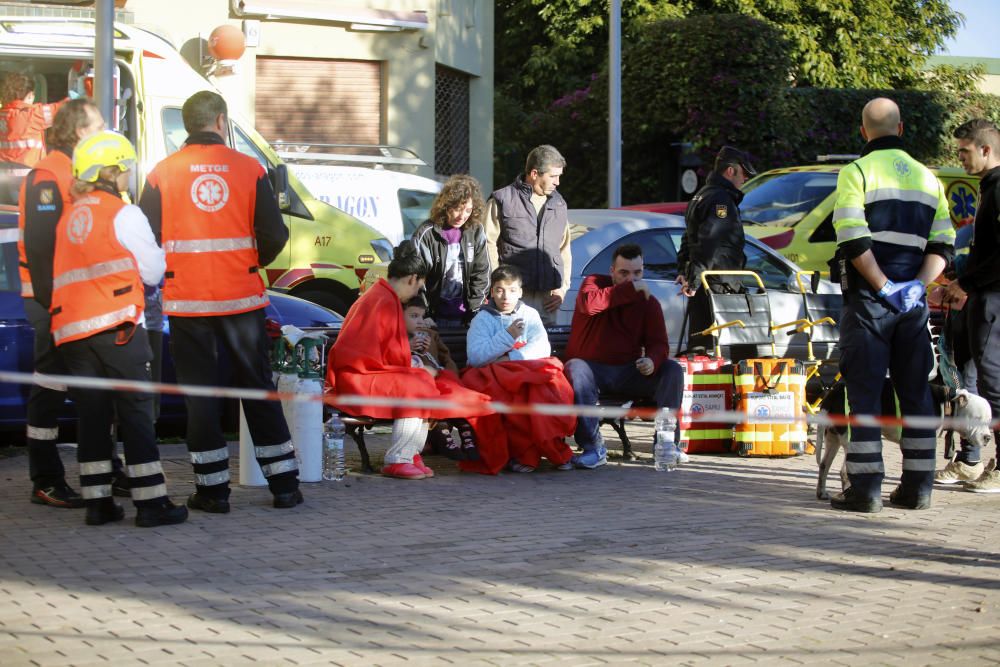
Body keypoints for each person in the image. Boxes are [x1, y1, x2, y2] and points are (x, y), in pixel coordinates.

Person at [138, 91, 302, 512]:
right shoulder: (249, 168)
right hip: (241, 298)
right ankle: (284, 484)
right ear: (221, 122)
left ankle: (212, 492)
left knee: (200, 396)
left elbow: (146, 239)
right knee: (257, 388)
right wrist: (247, 262)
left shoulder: (161, 173)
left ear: (188, 125)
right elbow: (275, 235)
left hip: (187, 303)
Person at [47, 130, 187, 527]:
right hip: (119, 326)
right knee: (136, 412)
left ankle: (98, 503)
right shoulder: (123, 213)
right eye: (124, 167)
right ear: (110, 171)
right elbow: (153, 270)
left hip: (73, 332)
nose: (128, 174)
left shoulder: (70, 216)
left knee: (92, 416)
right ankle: (152, 503)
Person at [829, 97, 954, 513]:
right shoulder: (928, 179)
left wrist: (883, 286)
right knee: (916, 393)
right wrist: (917, 286)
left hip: (869, 302)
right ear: (900, 130)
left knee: (863, 393)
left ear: (863, 132)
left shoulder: (857, 172)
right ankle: (918, 488)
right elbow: (943, 244)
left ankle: (865, 490)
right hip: (913, 307)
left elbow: (853, 238)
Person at [327, 242, 501, 479]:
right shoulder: (384, 300)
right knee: (417, 384)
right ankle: (399, 457)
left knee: (420, 380)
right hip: (357, 377)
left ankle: (409, 453)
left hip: (359, 373)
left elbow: (385, 349)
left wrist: (416, 367)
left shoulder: (381, 296)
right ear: (412, 279)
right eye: (419, 285)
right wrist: (417, 367)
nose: (417, 292)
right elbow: (388, 353)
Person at [17, 98, 106, 508]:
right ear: (78, 130)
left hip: (80, 299)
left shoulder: (77, 171)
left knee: (92, 388)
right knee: (51, 388)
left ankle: (102, 471)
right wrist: (56, 306)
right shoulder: (48, 175)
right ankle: (46, 478)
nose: (105, 131)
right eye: (99, 125)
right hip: (51, 300)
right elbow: (39, 247)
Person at [563, 243, 685, 469]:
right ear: (611, 271)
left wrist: (652, 360)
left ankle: (666, 443)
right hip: (592, 371)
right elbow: (590, 305)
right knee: (576, 368)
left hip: (629, 372)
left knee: (672, 369)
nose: (632, 279)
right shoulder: (593, 283)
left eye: (637, 273)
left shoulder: (648, 302)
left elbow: (659, 344)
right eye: (624, 273)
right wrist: (631, 290)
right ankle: (593, 447)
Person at [462, 265, 576, 474]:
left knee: (546, 386)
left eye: (512, 290)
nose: (506, 296)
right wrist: (508, 336)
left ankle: (554, 449)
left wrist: (509, 358)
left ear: (520, 292)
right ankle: (523, 454)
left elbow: (542, 346)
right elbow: (477, 356)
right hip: (496, 379)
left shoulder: (529, 314)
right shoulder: (482, 319)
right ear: (492, 292)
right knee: (514, 395)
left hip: (524, 372)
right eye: (500, 290)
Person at [941, 118, 1000, 492]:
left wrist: (967, 283)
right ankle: (971, 460)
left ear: (985, 149)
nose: (959, 157)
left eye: (964, 151)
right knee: (976, 380)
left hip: (994, 299)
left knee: (995, 386)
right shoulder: (989, 188)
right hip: (983, 297)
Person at [676, 146, 756, 357]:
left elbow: (689, 238)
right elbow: (710, 242)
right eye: (743, 173)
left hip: (706, 281)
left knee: (702, 345)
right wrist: (693, 277)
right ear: (730, 171)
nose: (745, 179)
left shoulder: (701, 196)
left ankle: (707, 389)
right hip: (721, 283)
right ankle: (745, 389)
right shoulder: (721, 200)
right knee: (744, 346)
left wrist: (685, 271)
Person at [483, 144, 570, 327]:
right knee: (512, 351)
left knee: (545, 354)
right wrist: (498, 286)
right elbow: (487, 243)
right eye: (553, 176)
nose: (557, 182)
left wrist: (562, 290)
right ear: (534, 173)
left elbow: (564, 249)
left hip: (548, 300)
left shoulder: (559, 204)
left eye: (559, 176)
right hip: (511, 297)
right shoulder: (502, 199)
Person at [412, 174, 490, 327]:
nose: (462, 216)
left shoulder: (476, 230)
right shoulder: (426, 233)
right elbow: (416, 278)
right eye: (457, 209)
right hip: (433, 316)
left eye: (468, 210)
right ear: (445, 205)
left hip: (466, 316)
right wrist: (424, 314)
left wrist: (475, 311)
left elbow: (481, 273)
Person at [0, 72, 67, 166]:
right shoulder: (31, 115)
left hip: (3, 176)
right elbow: (65, 109)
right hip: (26, 176)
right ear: (30, 95)